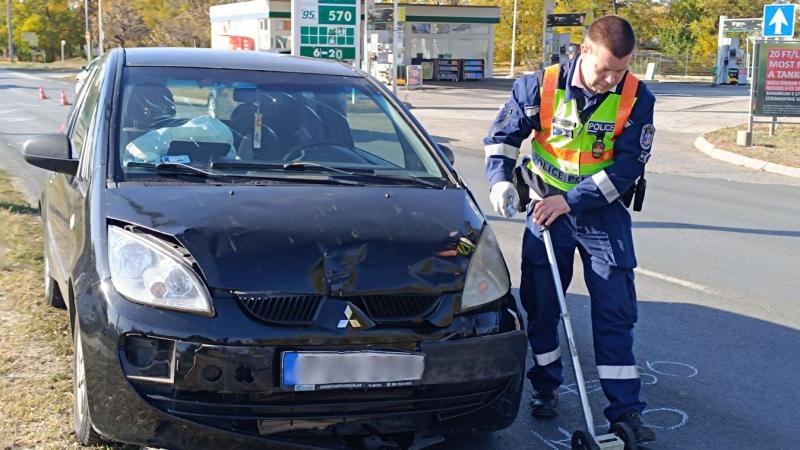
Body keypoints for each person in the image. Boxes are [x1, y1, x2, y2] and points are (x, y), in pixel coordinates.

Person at [482, 16, 656, 444]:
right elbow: (502, 138)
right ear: (583, 52)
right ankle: (545, 384)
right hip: (546, 206)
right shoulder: (539, 86)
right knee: (542, 303)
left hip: (601, 212)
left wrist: (571, 201)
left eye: (623, 69)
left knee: (615, 310)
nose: (613, 79)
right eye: (606, 70)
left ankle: (625, 411)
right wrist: (501, 179)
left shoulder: (636, 97)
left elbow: (628, 167)